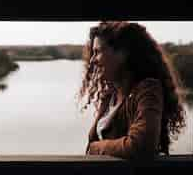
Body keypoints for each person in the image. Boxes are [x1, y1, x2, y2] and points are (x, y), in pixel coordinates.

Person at [78, 21, 186, 159]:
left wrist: (96, 147)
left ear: (123, 53)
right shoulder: (111, 94)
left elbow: (141, 146)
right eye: (92, 53)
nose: (92, 60)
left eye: (98, 52)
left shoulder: (147, 90)